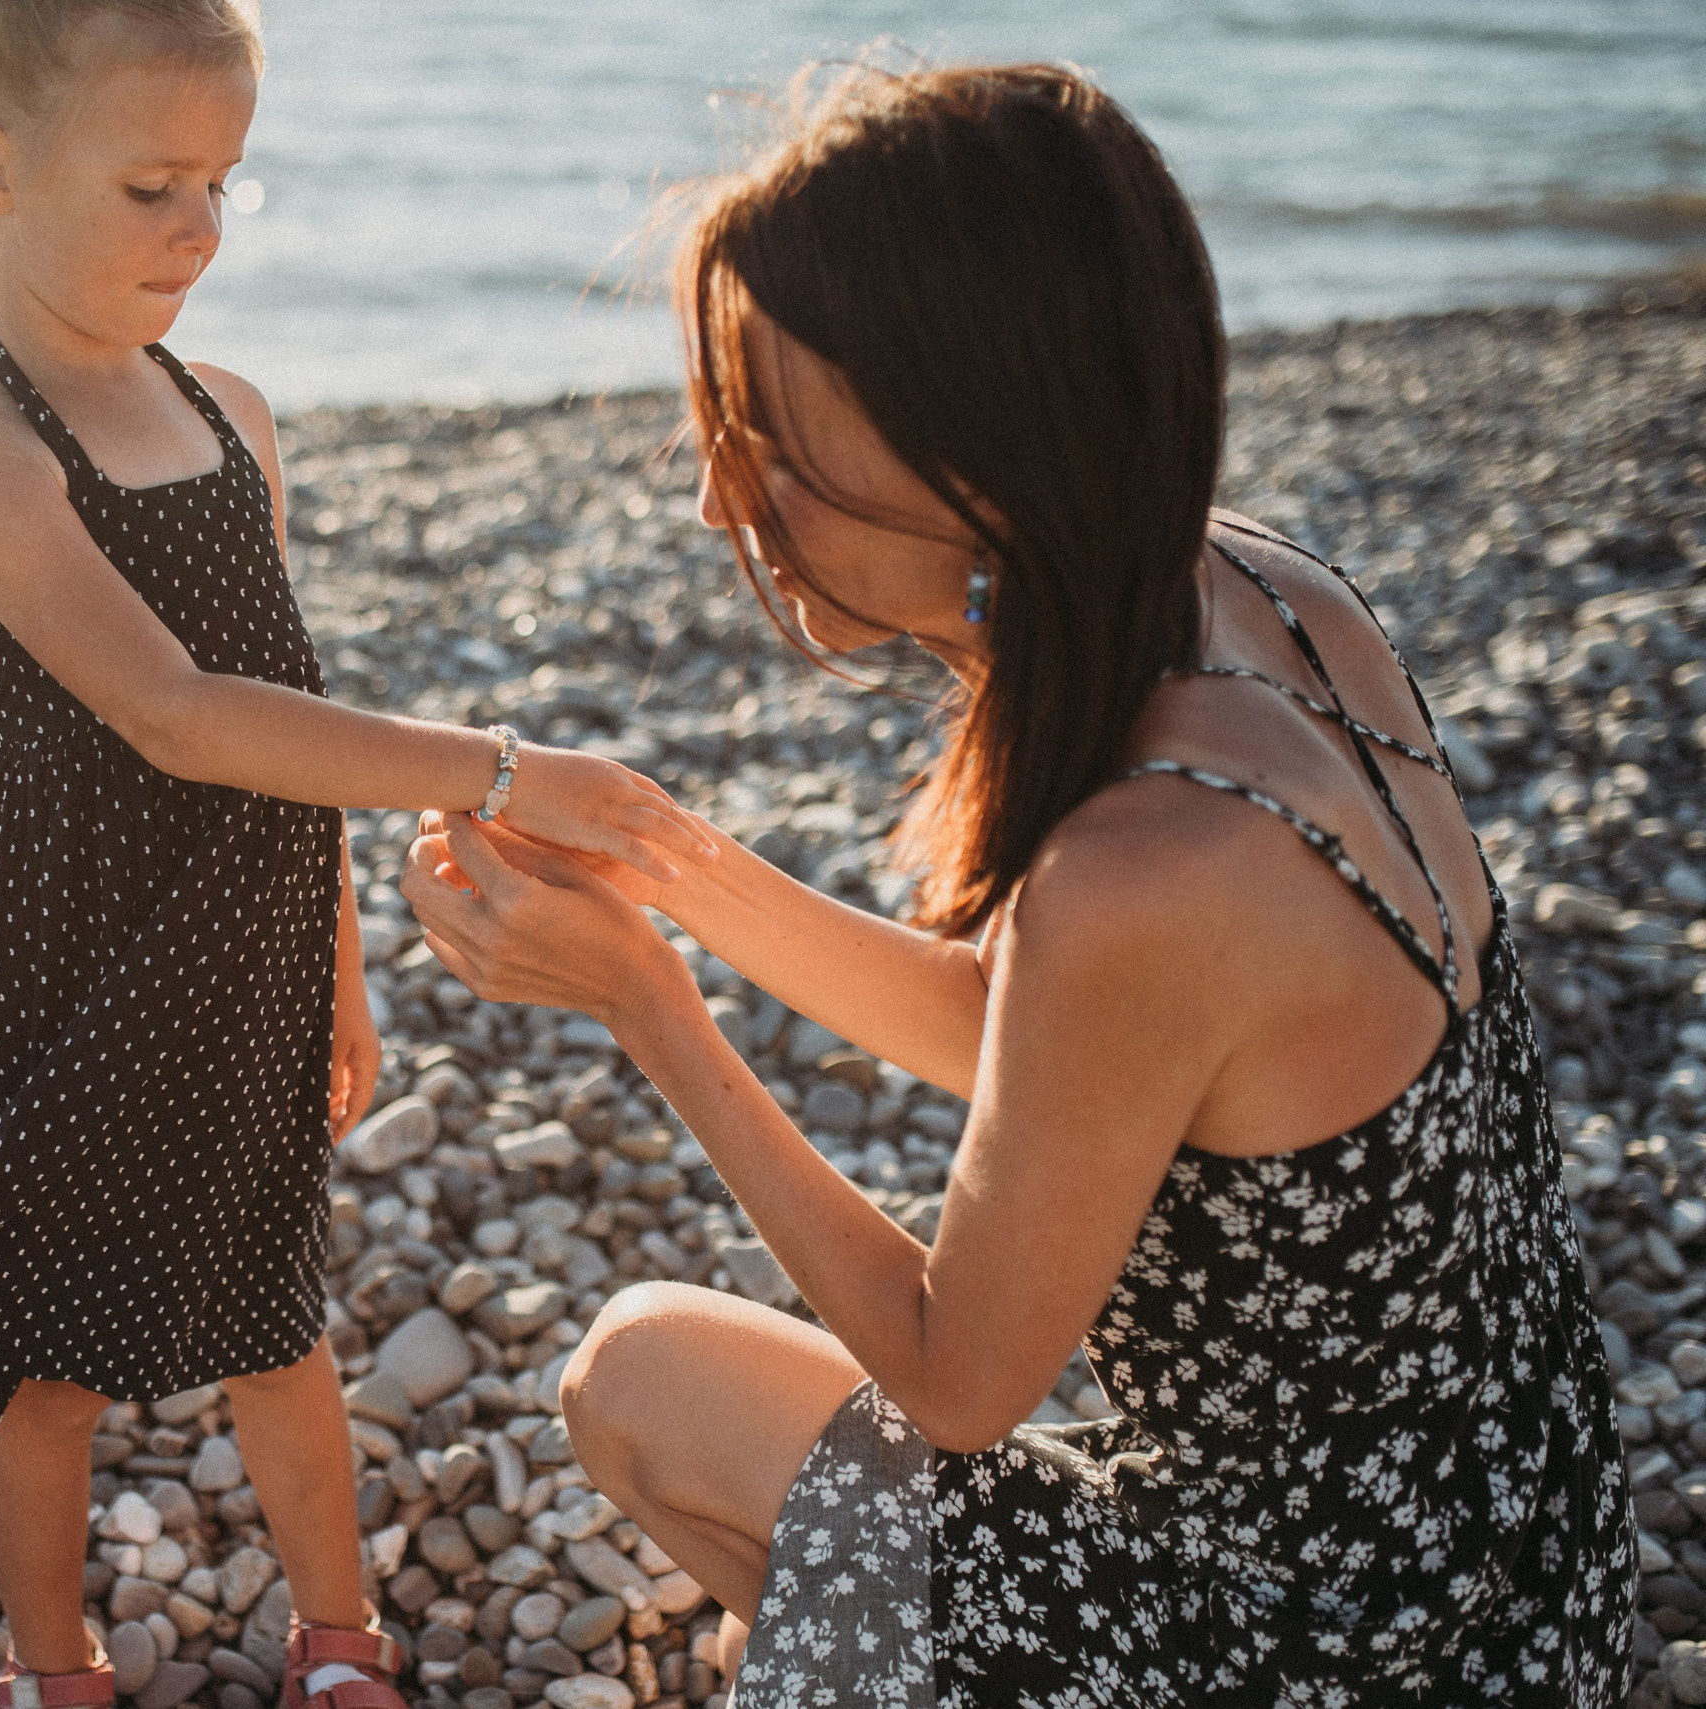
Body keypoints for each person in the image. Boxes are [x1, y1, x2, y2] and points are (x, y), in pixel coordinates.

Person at [401, 61, 1634, 1707]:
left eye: (766, 440)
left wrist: (646, 995)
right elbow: (1055, 1043)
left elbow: (956, 1375)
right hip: (1525, 1557)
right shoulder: (1261, 593)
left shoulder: (1142, 870)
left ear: (970, 441)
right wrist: (662, 853)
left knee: (643, 1380)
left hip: (1361, 1646)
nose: (719, 498)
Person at [0, 6, 711, 1706]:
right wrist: (502, 770)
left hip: (239, 945)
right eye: (155, 183)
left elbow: (285, 721)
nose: (200, 229)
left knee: (275, 1311)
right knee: (50, 1361)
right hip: (71, 957)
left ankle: (341, 1639)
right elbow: (177, 713)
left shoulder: (231, 410)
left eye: (226, 185)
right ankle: (55, 1665)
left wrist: (339, 960)